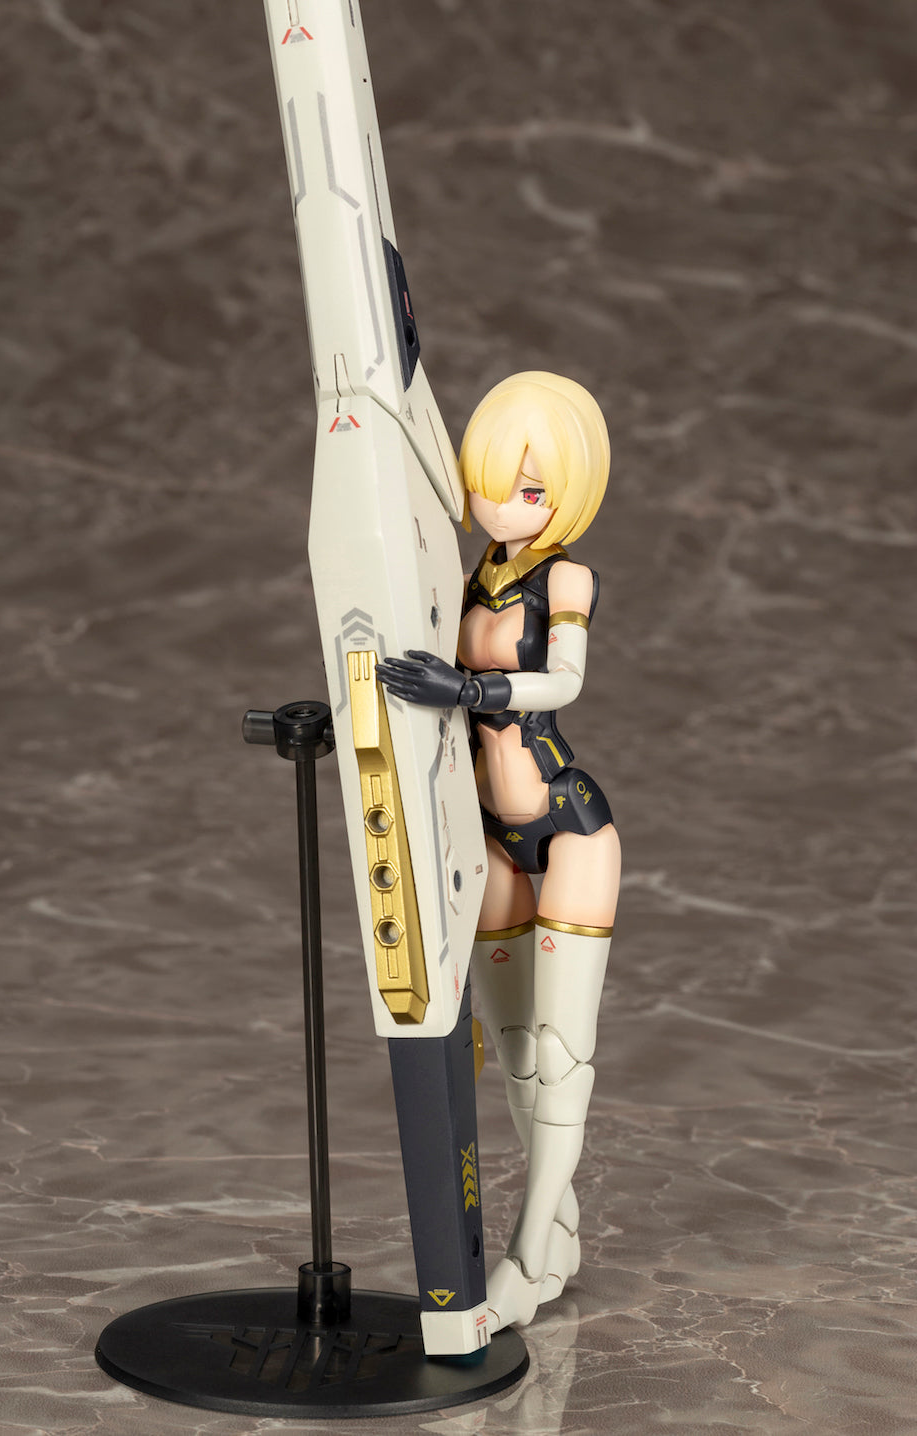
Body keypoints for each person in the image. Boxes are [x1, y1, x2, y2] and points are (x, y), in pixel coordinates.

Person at [377, 371, 620, 1332]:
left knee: (558, 1053)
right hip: (493, 835)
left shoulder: (566, 579)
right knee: (515, 1053)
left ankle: (525, 1258)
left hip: (567, 823)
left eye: (530, 488)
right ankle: (559, 1229)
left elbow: (565, 680)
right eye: (490, 481)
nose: (503, 503)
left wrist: (470, 692)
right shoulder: (468, 570)